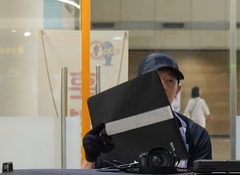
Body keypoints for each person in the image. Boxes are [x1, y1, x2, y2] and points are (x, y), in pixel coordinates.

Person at [82, 52, 212, 168]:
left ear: (177, 90)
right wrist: (90, 158)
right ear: (139, 86)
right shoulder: (113, 133)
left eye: (170, 80)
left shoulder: (195, 135)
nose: (163, 86)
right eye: (154, 79)